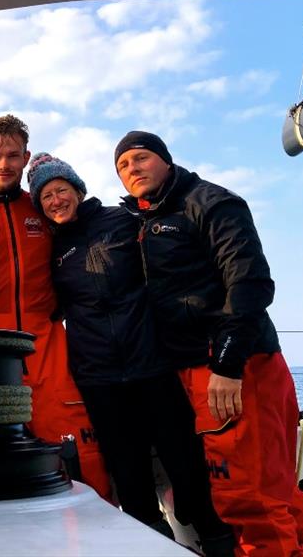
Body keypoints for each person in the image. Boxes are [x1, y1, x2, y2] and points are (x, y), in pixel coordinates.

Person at [114, 131, 303, 556]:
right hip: (207, 366)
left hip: (230, 366)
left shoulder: (210, 202)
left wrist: (228, 365)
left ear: (165, 159)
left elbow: (249, 281)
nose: (133, 169)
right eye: (123, 166)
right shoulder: (147, 219)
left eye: (141, 158)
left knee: (246, 495)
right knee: (275, 484)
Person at [27, 152, 234, 555]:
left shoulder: (123, 221)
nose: (55, 200)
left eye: (61, 190)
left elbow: (173, 264)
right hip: (99, 377)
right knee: (131, 480)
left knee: (188, 470)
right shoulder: (51, 248)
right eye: (46, 196)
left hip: (152, 363)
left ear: (78, 189)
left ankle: (217, 541)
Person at [0, 114, 111, 500]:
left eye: (14, 156)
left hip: (48, 345)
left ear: (26, 158)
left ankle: (95, 536)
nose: (4, 164)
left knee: (79, 449)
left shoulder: (42, 208)